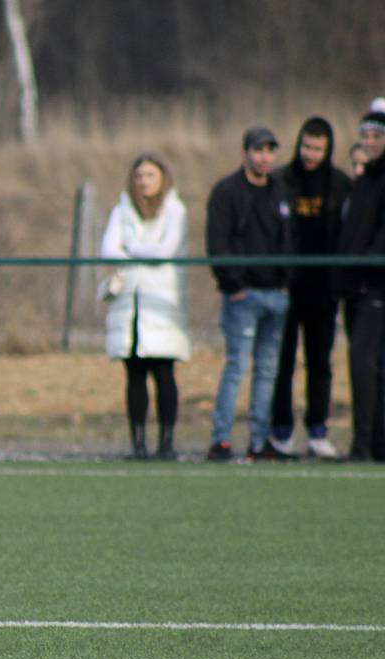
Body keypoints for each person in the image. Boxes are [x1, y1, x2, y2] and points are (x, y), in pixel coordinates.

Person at [206, 126, 293, 462]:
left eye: (270, 151)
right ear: (245, 153)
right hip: (243, 296)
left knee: (268, 369)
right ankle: (222, 439)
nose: (264, 157)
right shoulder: (227, 191)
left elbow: (289, 241)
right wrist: (233, 284)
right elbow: (218, 242)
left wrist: (287, 281)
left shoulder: (281, 192)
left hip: (276, 294)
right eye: (258, 150)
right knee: (236, 366)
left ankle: (259, 442)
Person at [268, 117, 352, 459]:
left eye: (317, 148)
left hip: (323, 290)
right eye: (306, 146)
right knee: (283, 362)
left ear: (327, 149)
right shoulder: (281, 182)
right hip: (288, 289)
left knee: (319, 362)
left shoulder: (340, 185)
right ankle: (281, 430)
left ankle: (318, 430)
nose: (310, 154)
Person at [99, 152, 190, 459]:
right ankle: (137, 443)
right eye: (139, 176)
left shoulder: (175, 210)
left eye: (150, 175)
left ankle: (167, 443)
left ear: (162, 178)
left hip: (162, 301)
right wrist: (137, 254)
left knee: (164, 372)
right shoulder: (122, 210)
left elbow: (166, 249)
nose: (143, 182)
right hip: (130, 302)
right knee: (134, 373)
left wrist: (132, 249)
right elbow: (108, 249)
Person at [332, 109, 385, 460]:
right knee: (365, 364)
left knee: (367, 362)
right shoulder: (364, 181)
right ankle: (369, 442)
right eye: (364, 136)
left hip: (376, 287)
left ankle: (367, 445)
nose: (368, 143)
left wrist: (366, 268)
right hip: (356, 289)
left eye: (376, 137)